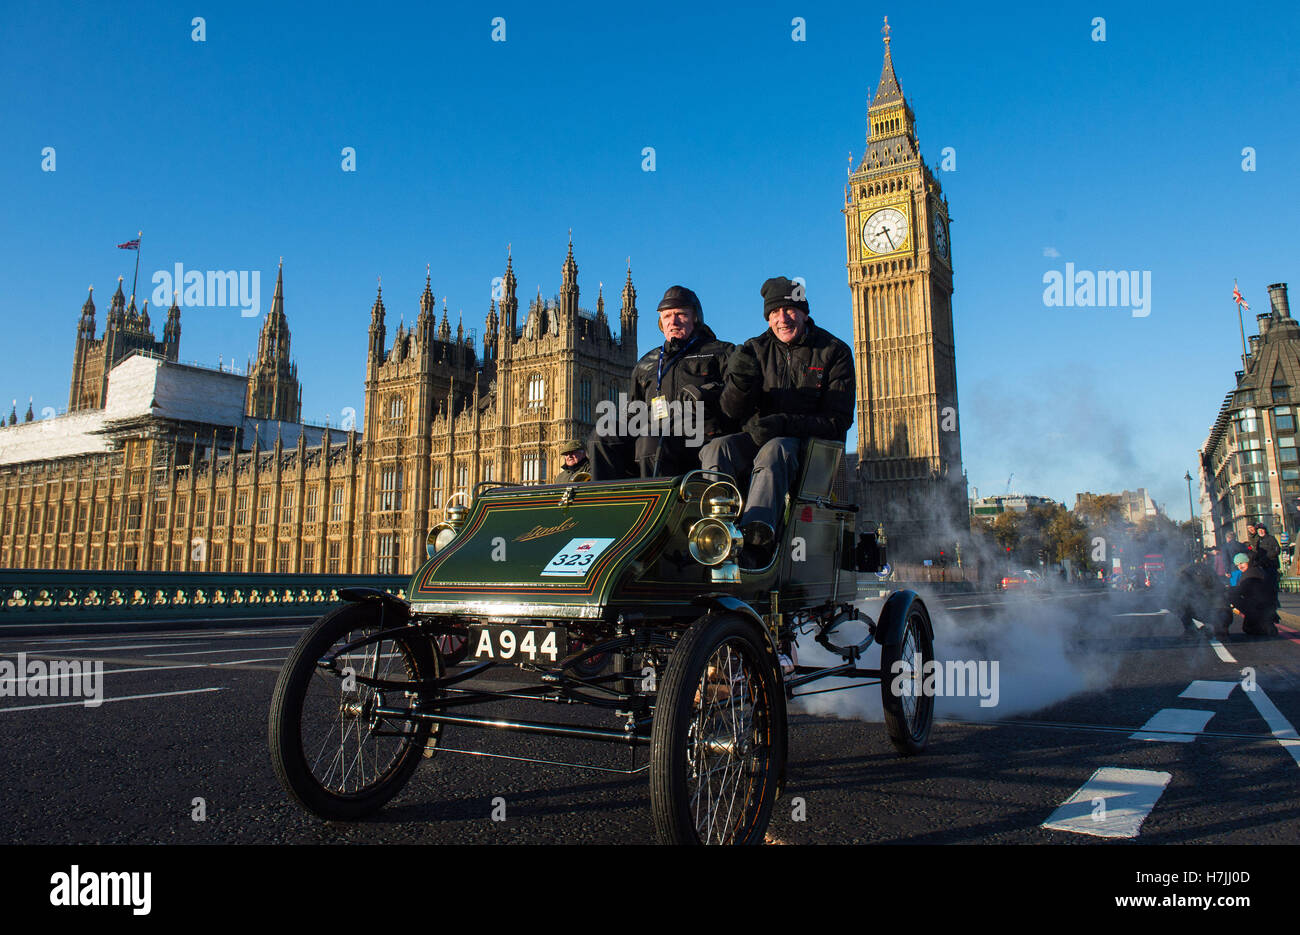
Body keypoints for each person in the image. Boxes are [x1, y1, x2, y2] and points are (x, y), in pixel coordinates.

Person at [700, 276, 854, 568]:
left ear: (805, 312)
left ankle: (755, 544)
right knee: (715, 449)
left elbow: (838, 421)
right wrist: (740, 384)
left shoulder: (834, 351)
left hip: (809, 448)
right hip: (759, 438)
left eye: (789, 310)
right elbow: (731, 412)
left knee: (776, 451)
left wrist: (782, 423)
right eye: (774, 312)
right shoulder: (754, 349)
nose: (781, 318)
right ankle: (715, 536)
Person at [589, 286, 733, 479]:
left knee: (651, 441)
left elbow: (737, 395)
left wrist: (707, 394)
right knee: (602, 436)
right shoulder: (648, 363)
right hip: (654, 434)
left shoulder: (720, 352)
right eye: (666, 316)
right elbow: (635, 408)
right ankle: (607, 505)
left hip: (698, 436)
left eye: (680, 314)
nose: (672, 322)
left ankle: (654, 506)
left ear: (695, 318)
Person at [1227, 552, 1278, 636]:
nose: (1240, 566)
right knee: (1248, 628)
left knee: (1232, 597)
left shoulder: (1250, 573)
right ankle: (1265, 625)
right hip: (1267, 604)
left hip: (1258, 606)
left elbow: (1242, 590)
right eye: (1237, 565)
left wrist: (1228, 590)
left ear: (1248, 561)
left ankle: (1265, 627)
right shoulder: (1256, 569)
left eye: (1242, 563)